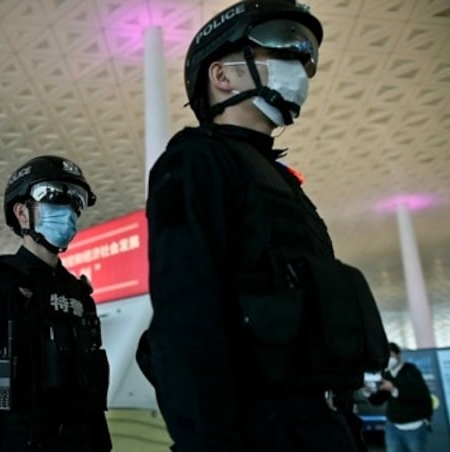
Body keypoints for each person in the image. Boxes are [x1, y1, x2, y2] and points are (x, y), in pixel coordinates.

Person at [137, 1, 389, 450]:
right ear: (222, 75)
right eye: (280, 49)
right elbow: (186, 318)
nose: (299, 66)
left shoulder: (280, 180)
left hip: (321, 424)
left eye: (305, 55)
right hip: (261, 430)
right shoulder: (194, 160)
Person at [0, 155, 112, 452]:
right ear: (22, 213)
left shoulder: (78, 294)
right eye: (55, 197)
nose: (69, 211)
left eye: (76, 201)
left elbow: (91, 391)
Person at [366, 342, 433, 452]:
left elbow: (420, 397)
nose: (388, 360)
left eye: (390, 356)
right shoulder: (386, 375)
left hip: (414, 426)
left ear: (398, 354)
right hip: (393, 425)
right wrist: (368, 392)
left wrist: (394, 389)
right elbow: (378, 400)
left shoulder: (411, 371)